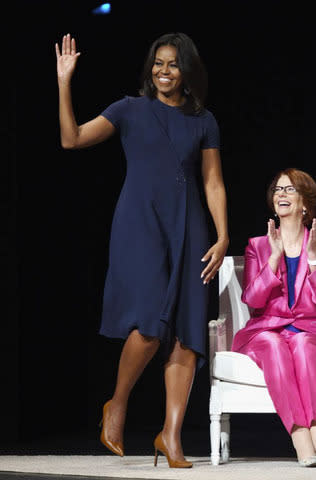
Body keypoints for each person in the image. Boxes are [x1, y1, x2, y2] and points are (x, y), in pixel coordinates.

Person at [55, 32, 229, 468]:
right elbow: (71, 139)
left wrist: (223, 235)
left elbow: (212, 182)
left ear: (187, 71)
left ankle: (170, 436)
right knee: (151, 323)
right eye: (157, 63)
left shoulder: (204, 120)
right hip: (140, 223)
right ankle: (116, 404)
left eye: (172, 64)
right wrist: (64, 82)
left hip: (189, 226)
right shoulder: (129, 110)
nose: (163, 71)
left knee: (188, 334)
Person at [232, 168, 316, 467]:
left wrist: (313, 262)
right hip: (264, 331)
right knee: (273, 343)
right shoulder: (258, 245)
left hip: (306, 330)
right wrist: (273, 260)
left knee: (305, 344)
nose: (281, 193)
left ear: (305, 203)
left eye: (290, 189)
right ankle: (299, 435)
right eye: (278, 189)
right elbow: (253, 300)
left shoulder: (315, 243)